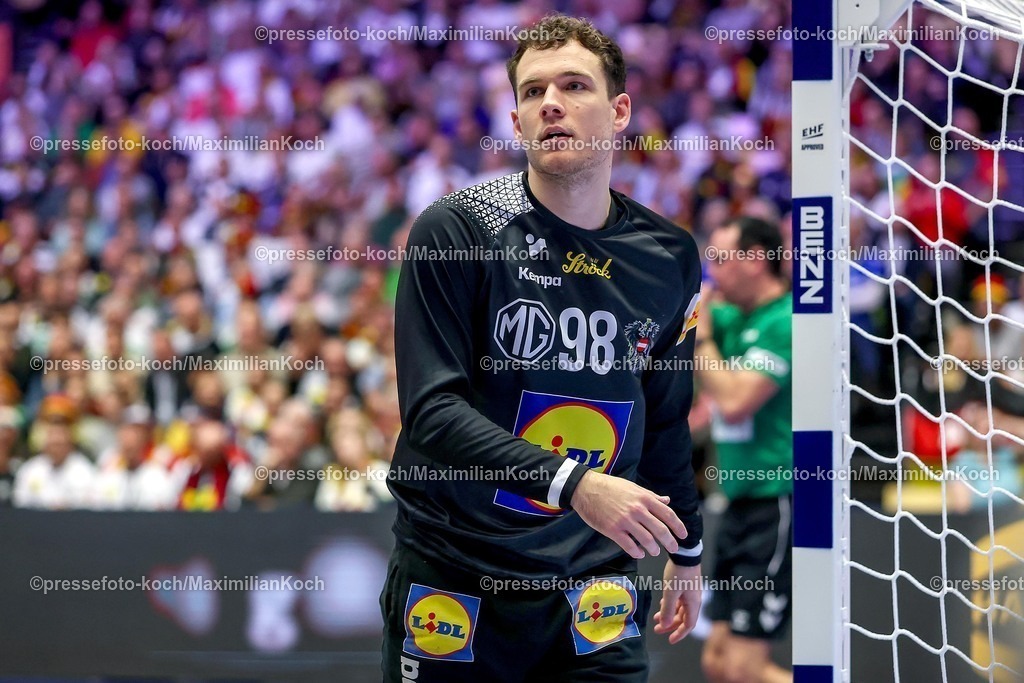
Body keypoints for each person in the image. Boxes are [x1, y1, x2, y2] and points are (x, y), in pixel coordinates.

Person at [381, 14, 704, 682]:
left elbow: (665, 415)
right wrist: (576, 484)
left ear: (619, 112)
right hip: (456, 575)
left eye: (573, 85)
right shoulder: (457, 228)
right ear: (516, 119)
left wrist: (686, 546)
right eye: (532, 93)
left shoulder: (670, 255)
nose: (550, 102)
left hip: (592, 579)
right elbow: (432, 411)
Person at [695, 217, 793, 683]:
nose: (712, 271)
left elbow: (734, 403)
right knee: (716, 662)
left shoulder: (786, 321)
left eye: (721, 259)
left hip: (775, 503)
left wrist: (704, 338)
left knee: (743, 667)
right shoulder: (731, 314)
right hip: (734, 502)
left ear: (756, 260)